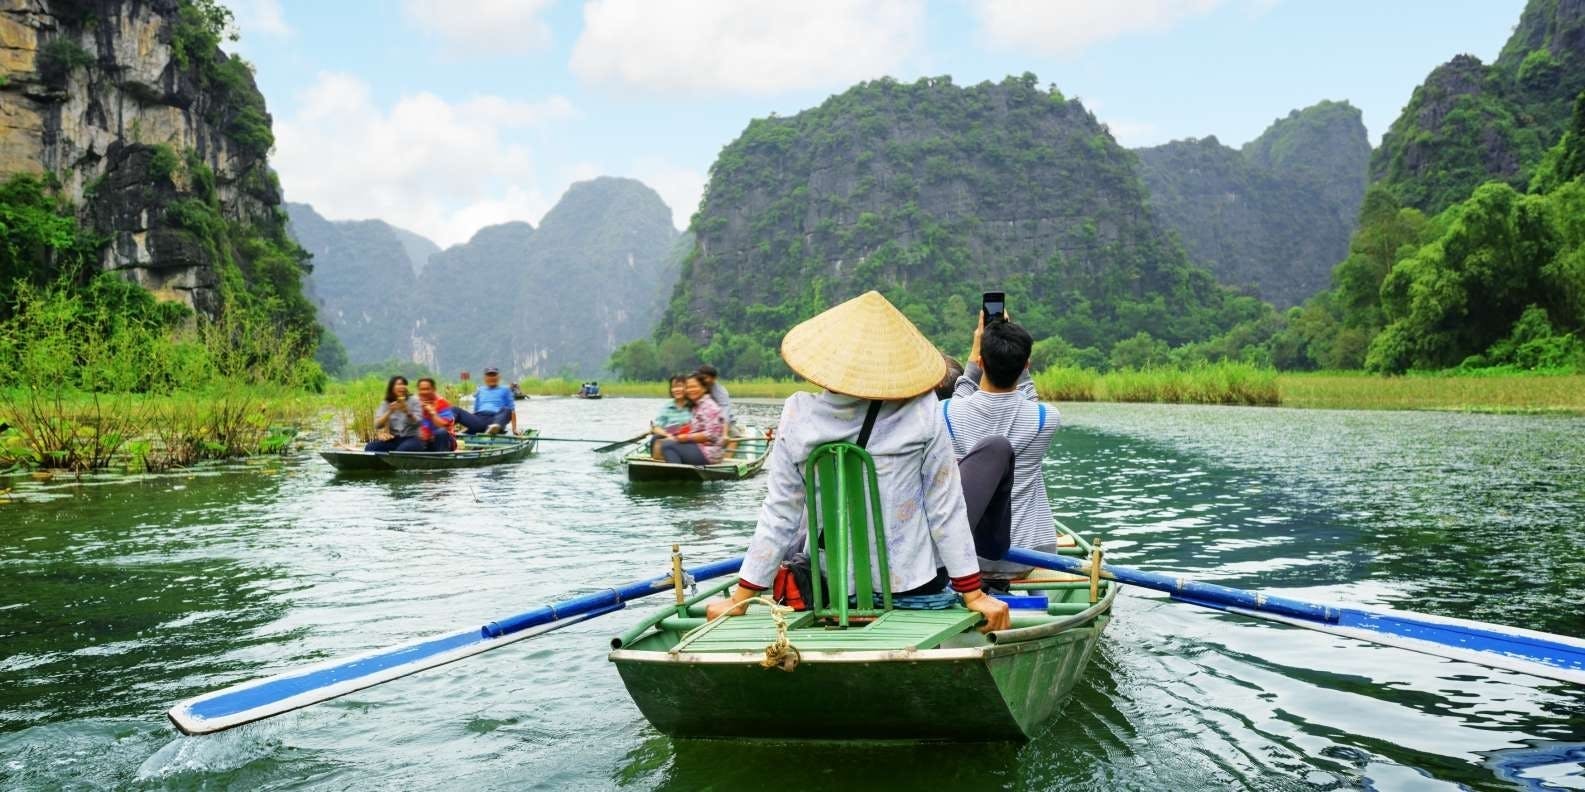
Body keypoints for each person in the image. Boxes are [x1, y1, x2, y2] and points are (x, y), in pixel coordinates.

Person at [705, 291, 1010, 632]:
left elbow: (780, 513)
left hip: (828, 587)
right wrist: (973, 593)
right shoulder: (923, 412)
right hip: (914, 586)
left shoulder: (798, 414)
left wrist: (740, 598)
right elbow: (945, 507)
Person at [944, 311, 1060, 584]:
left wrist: (975, 355)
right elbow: (1029, 400)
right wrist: (1018, 358)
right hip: (1027, 557)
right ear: (1025, 366)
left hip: (969, 559)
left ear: (981, 362)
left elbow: (961, 394)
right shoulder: (1047, 419)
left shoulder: (946, 413)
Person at [653, 373, 725, 465]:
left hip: (710, 452)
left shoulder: (709, 406)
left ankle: (676, 473)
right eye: (688, 387)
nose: (691, 390)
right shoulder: (697, 406)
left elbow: (711, 434)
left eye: (694, 387)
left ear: (704, 388)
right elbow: (693, 428)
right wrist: (673, 434)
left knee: (668, 446)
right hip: (698, 446)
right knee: (660, 441)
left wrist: (686, 437)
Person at [451, 367, 517, 435]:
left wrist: (514, 429)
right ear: (485, 378)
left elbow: (512, 411)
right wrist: (468, 427)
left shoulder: (505, 390)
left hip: (496, 419)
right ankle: (447, 428)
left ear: (498, 377)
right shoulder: (480, 390)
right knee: (454, 409)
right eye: (489, 375)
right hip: (479, 420)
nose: (491, 378)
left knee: (507, 410)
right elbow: (475, 412)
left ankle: (494, 428)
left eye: (494, 375)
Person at [366, 375, 421, 452]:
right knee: (370, 447)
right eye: (399, 384)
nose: (402, 387)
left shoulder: (414, 400)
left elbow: (419, 422)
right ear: (391, 388)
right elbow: (377, 425)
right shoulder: (386, 403)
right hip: (395, 439)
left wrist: (407, 412)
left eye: (404, 384)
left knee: (402, 450)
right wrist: (389, 411)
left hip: (412, 438)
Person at [650, 374, 694, 460]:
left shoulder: (693, 404)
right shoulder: (667, 407)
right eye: (674, 387)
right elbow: (656, 427)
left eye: (680, 386)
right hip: (671, 434)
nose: (676, 390)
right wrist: (668, 434)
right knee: (656, 439)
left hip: (690, 437)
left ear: (687, 388)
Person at [408, 377, 457, 452]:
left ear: (433, 389)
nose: (424, 392)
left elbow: (444, 426)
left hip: (443, 441)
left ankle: (442, 460)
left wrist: (432, 412)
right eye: (421, 389)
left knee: (441, 432)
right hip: (422, 441)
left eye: (427, 389)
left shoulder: (442, 403)